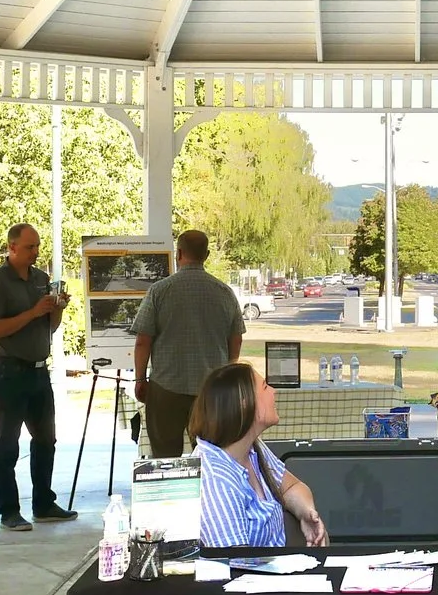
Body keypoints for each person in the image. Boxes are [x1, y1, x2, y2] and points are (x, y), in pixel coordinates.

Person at [0, 223, 76, 532]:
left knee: (46, 439)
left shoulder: (41, 279)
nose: (35, 252)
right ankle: (9, 511)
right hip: (10, 371)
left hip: (39, 370)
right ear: (12, 247)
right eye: (29, 247)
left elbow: (50, 327)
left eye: (37, 246)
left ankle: (43, 504)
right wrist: (33, 312)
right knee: (8, 442)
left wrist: (57, 308)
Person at [191, 362, 328, 550]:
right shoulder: (216, 478)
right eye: (264, 387)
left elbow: (291, 487)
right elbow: (234, 560)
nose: (273, 391)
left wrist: (306, 512)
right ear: (244, 403)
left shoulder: (252, 448)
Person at [132, 230, 244, 459]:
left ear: (179, 253)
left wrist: (140, 379)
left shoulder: (159, 291)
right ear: (207, 255)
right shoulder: (225, 292)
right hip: (211, 391)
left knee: (165, 458)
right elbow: (236, 338)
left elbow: (143, 340)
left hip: (166, 388)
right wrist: (228, 377)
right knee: (212, 456)